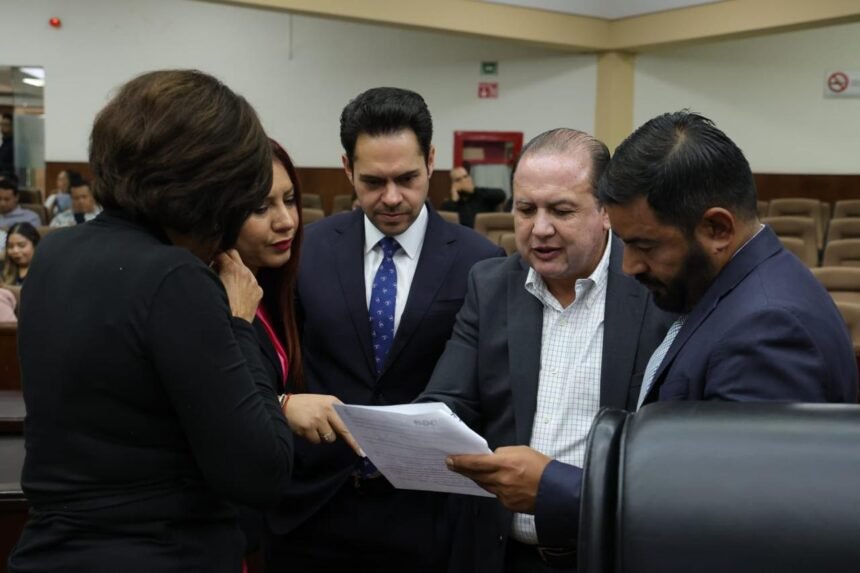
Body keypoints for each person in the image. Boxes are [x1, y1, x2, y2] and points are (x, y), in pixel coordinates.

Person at [8, 69, 294, 573]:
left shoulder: (55, 253)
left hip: (50, 550)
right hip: (159, 552)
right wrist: (239, 322)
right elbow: (261, 471)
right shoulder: (174, 277)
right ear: (218, 190)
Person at [262, 87, 504, 571]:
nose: (392, 198)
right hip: (314, 508)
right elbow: (273, 362)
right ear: (347, 169)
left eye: (407, 178)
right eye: (373, 182)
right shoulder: (306, 250)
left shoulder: (480, 260)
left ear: (431, 161)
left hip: (427, 515)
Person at [420, 128, 675, 572]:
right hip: (503, 554)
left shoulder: (656, 290)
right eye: (525, 210)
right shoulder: (490, 285)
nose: (540, 229)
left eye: (561, 210)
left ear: (606, 212)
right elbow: (447, 403)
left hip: (611, 554)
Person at [597, 110, 857, 405]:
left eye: (645, 246)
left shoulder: (766, 331)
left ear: (717, 229)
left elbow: (739, 439)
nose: (628, 266)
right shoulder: (733, 291)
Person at [440, 166, 506, 227]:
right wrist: (454, 199)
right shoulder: (450, 204)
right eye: (458, 180)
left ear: (470, 178)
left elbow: (501, 195)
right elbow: (446, 222)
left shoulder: (481, 195)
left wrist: (473, 190)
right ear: (453, 184)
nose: (464, 180)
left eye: (466, 176)